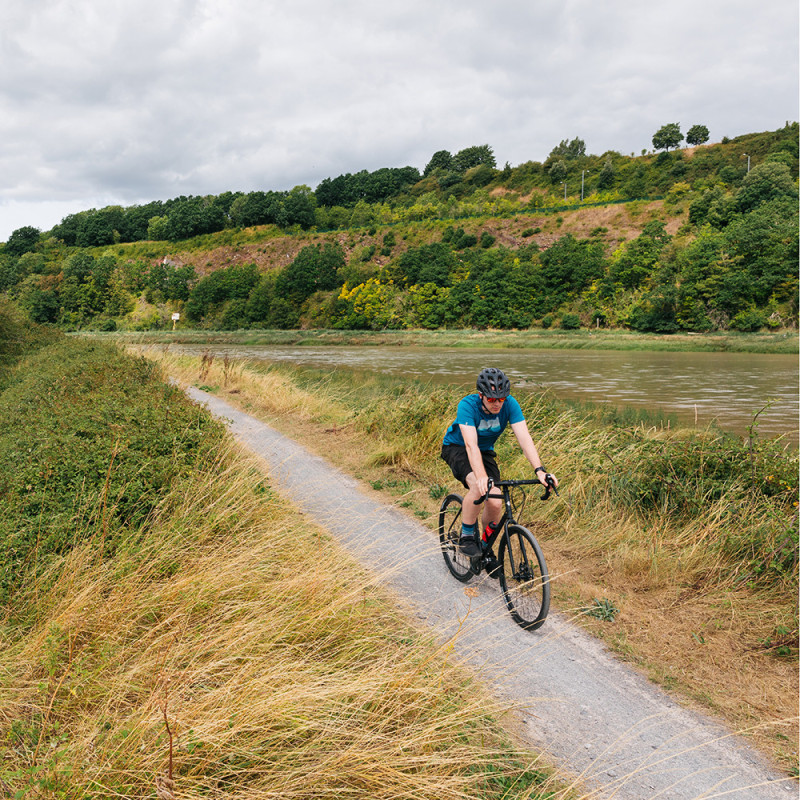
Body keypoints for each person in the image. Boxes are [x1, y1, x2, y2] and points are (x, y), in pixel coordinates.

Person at [440, 367, 558, 557]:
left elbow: (525, 439)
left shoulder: (510, 405)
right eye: (492, 399)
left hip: (485, 451)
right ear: (481, 395)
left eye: (501, 399)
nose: (497, 404)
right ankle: (467, 536)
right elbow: (471, 446)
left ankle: (486, 548)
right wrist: (480, 477)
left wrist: (540, 471)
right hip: (457, 447)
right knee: (479, 488)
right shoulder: (467, 405)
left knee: (495, 502)